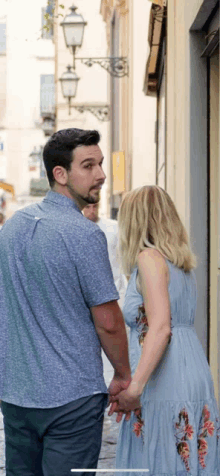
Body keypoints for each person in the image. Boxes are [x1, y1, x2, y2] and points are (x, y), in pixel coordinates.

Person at [0, 128, 140, 476]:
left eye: (101, 164)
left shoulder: (12, 228)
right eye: (88, 166)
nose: (101, 175)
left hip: (17, 394)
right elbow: (108, 321)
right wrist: (124, 375)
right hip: (72, 399)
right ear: (60, 174)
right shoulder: (84, 234)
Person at [109, 185, 220, 475]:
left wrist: (135, 387)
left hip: (163, 377)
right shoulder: (182, 265)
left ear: (134, 220)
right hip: (192, 370)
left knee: (159, 461)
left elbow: (160, 328)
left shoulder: (149, 259)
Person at [83, 202, 127, 304]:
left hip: (115, 292)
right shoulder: (75, 229)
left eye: (95, 207)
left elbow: (123, 257)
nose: (92, 211)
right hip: (88, 295)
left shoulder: (114, 227)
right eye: (88, 207)